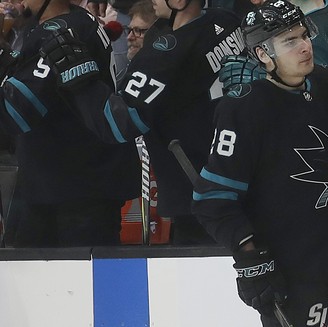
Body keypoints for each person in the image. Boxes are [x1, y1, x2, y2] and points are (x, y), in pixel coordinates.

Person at [191, 1, 328, 326]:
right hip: (295, 274)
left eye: (303, 35)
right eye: (289, 41)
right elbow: (212, 201)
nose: (304, 47)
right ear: (262, 55)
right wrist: (248, 255)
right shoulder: (243, 109)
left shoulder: (327, 85)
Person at [34, 0, 245, 245]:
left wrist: (80, 80)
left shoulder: (165, 56)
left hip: (199, 193)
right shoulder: (226, 21)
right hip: (241, 176)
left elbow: (117, 123)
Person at [0, 0, 141, 246]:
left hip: (76, 189)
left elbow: (17, 110)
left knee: (75, 280)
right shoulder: (76, 20)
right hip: (67, 183)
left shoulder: (61, 31)